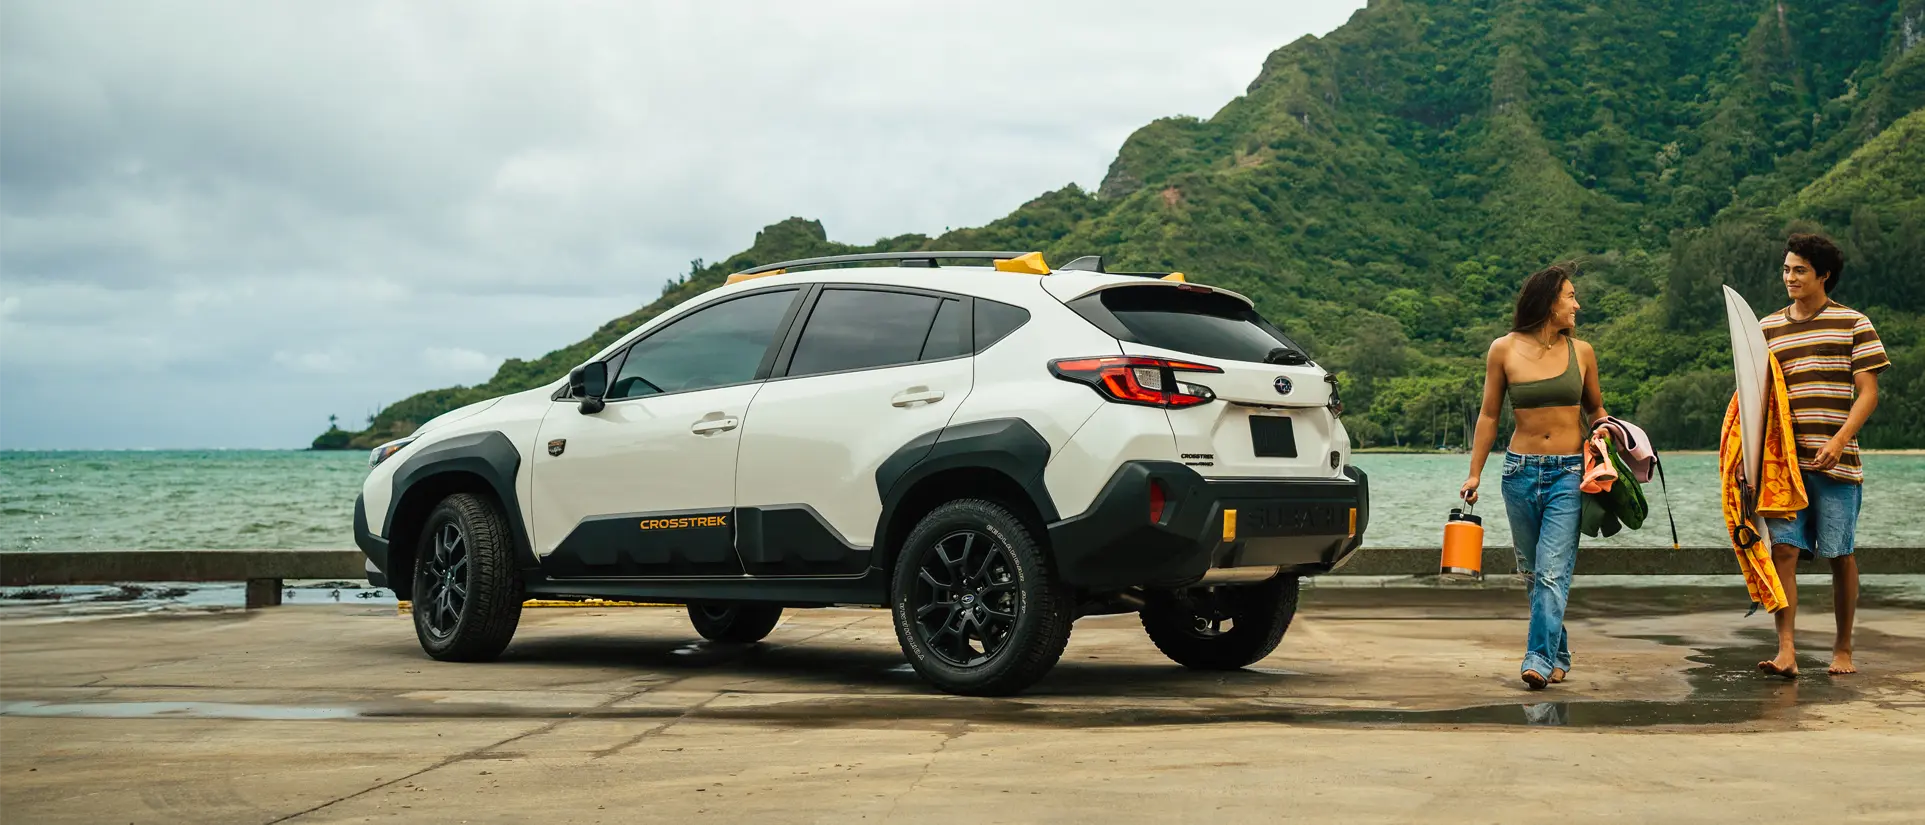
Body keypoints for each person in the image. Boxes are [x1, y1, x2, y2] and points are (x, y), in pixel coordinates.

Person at [1461, 263, 1608, 690]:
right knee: (1533, 571)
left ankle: (1538, 660)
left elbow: (1596, 407)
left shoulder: (1582, 352)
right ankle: (1558, 652)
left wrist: (1607, 431)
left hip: (1569, 474)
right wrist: (1475, 474)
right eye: (1570, 297)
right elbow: (1489, 416)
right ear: (1548, 303)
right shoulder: (1502, 350)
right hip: (1519, 472)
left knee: (1550, 571)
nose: (1577, 305)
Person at [1757, 233, 1887, 678]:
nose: (1790, 277)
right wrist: (1747, 463)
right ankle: (1786, 650)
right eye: (1787, 269)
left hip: (1838, 462)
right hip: (1783, 466)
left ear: (1824, 275)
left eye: (1800, 270)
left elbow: (1868, 393)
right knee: (1784, 553)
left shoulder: (1854, 323)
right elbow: (1755, 401)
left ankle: (1843, 648)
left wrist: (1839, 440)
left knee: (1840, 554)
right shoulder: (1767, 328)